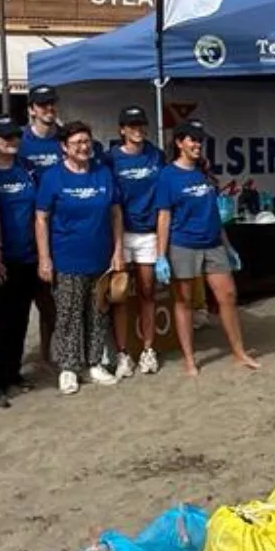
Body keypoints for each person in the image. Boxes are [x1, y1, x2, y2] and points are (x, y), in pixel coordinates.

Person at [156, 122, 256, 374]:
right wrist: (160, 256)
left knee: (228, 296)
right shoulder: (167, 175)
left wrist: (228, 246)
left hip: (213, 243)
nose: (198, 144)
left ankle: (239, 352)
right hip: (183, 244)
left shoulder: (204, 171)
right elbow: (164, 217)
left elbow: (213, 213)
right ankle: (189, 359)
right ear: (179, 143)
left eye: (200, 140)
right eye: (192, 139)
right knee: (185, 301)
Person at [33, 120, 124, 392]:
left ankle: (94, 363)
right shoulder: (53, 177)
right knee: (69, 314)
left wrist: (118, 251)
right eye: (77, 143)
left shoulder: (103, 173)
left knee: (98, 312)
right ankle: (69, 368)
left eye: (86, 141)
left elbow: (116, 214)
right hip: (67, 258)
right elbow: (41, 218)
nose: (83, 147)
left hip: (100, 258)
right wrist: (44, 258)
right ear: (64, 147)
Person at [102, 106, 164, 377]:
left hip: (148, 232)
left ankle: (148, 350)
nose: (137, 129)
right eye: (132, 125)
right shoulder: (110, 158)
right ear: (122, 130)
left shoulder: (156, 155)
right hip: (121, 232)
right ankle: (123, 354)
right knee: (119, 295)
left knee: (147, 291)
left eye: (141, 124)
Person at [0, 115, 39, 393]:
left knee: (21, 317)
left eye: (16, 135)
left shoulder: (27, 168)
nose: (12, 141)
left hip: (27, 254)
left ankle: (14, 373)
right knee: (2, 319)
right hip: (0, 257)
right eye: (6, 137)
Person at [18, 83, 64, 375]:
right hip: (25, 229)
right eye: (43, 104)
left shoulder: (64, 139)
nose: (49, 108)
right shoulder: (19, 141)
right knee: (25, 300)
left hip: (58, 228)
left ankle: (49, 352)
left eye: (52, 103)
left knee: (52, 299)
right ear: (32, 109)